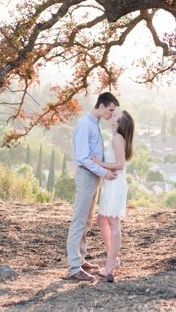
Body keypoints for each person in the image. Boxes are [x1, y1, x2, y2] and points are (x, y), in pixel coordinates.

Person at [66, 92, 119, 282]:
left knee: (87, 220)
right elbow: (82, 156)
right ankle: (74, 267)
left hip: (94, 176)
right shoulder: (85, 124)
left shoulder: (94, 123)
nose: (112, 114)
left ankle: (80, 258)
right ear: (102, 106)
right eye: (110, 110)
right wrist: (104, 172)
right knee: (79, 220)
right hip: (87, 175)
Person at [91, 109, 134, 283]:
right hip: (111, 184)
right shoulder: (116, 138)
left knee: (114, 224)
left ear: (120, 123)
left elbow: (120, 165)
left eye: (116, 116)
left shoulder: (118, 139)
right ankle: (112, 257)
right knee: (102, 220)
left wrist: (99, 163)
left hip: (116, 184)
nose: (112, 116)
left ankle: (111, 263)